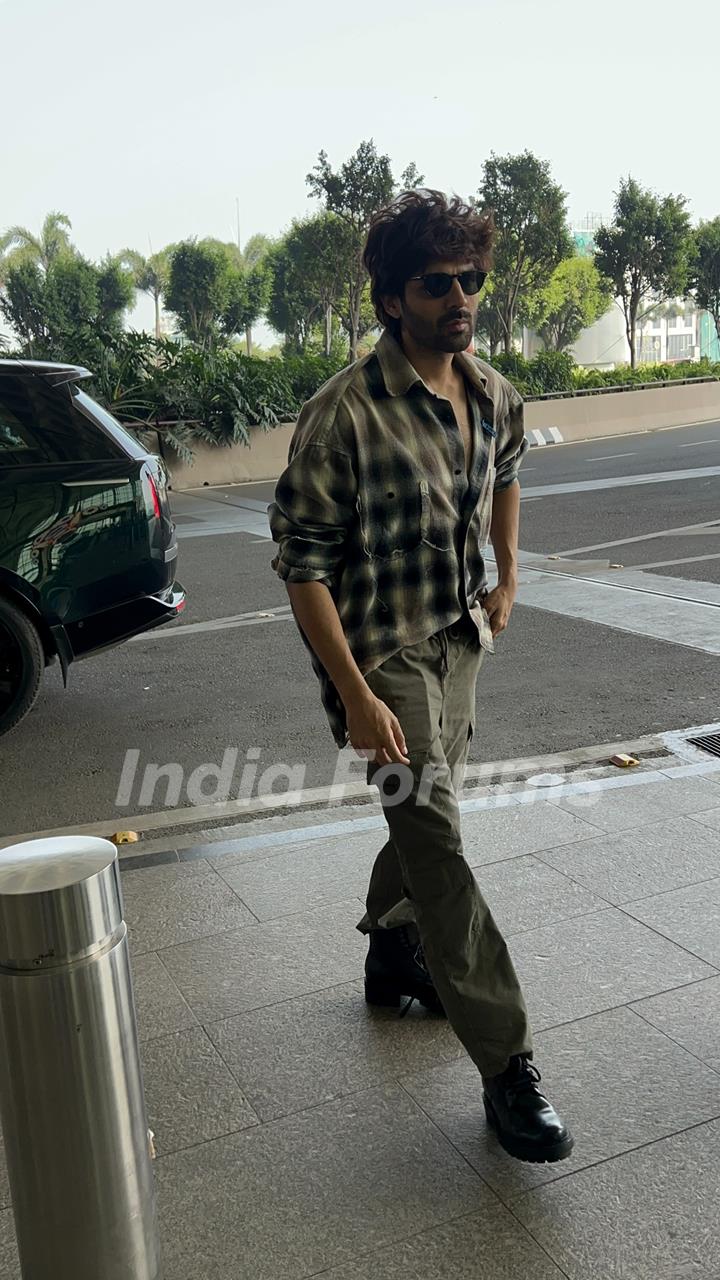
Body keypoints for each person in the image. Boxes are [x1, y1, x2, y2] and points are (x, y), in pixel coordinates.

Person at [268, 189, 573, 1165]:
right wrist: (356, 695)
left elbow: (512, 464)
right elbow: (304, 565)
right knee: (437, 839)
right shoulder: (342, 415)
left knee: (430, 816)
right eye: (437, 283)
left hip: (458, 641)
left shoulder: (490, 393)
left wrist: (509, 568)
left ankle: (392, 951)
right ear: (394, 298)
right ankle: (508, 1064)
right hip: (383, 657)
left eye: (470, 278)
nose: (460, 297)